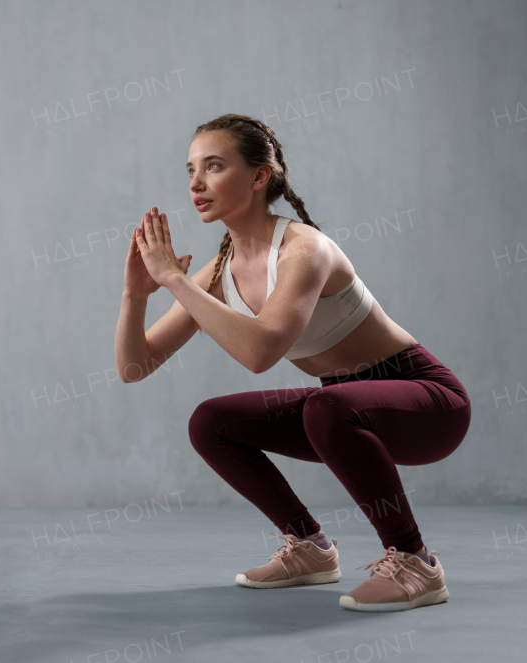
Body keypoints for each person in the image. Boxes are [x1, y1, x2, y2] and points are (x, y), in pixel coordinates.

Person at [113, 114, 471, 612]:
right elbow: (135, 367)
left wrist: (174, 281)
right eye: (191, 169)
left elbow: (260, 353)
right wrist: (135, 294)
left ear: (260, 176)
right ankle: (310, 549)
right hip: (340, 409)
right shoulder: (220, 272)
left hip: (428, 403)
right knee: (212, 422)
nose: (196, 183)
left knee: (328, 406)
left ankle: (416, 563)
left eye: (214, 166)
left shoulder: (305, 249)